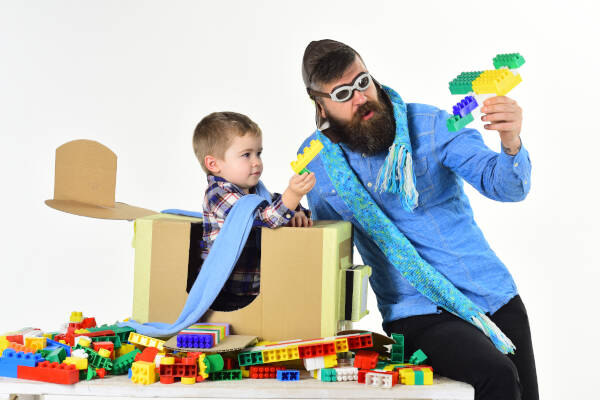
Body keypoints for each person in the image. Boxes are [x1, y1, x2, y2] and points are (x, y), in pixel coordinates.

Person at [299, 40, 538, 400]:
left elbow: (505, 187)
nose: (360, 98)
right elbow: (330, 251)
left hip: (491, 294)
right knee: (497, 375)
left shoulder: (429, 125)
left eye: (362, 82)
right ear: (321, 106)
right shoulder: (316, 163)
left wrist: (510, 140)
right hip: (416, 312)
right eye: (343, 93)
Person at [193, 111, 315, 311]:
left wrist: (298, 212)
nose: (256, 161)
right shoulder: (218, 195)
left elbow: (275, 203)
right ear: (213, 164)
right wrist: (293, 194)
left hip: (255, 289)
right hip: (227, 292)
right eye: (246, 155)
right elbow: (262, 219)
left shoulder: (256, 190)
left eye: (258, 153)